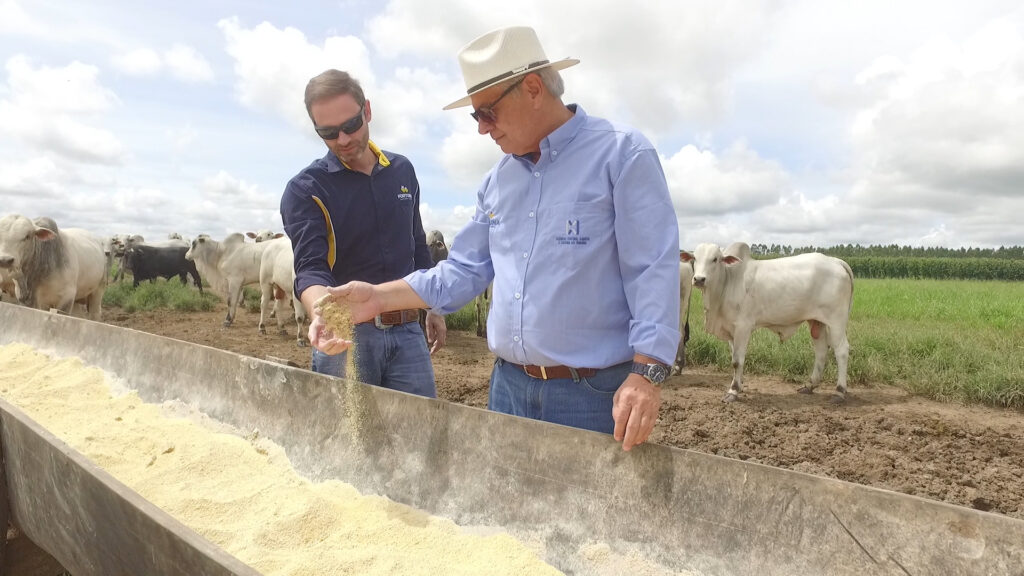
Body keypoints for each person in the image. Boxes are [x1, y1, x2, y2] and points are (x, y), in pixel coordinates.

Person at [315, 26, 680, 451]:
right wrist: (378, 298)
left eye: (486, 113)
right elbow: (465, 270)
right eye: (476, 117)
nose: (482, 130)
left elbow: (652, 267)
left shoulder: (622, 155)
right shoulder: (497, 181)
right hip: (507, 389)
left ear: (531, 88)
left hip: (593, 397)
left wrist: (648, 372)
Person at [280, 69, 446, 398]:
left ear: (367, 110)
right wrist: (323, 315)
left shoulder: (402, 171)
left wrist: (433, 307)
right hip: (346, 335)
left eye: (351, 125)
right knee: (347, 442)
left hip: (408, 332)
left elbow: (416, 245)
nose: (342, 139)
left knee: (417, 437)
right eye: (328, 132)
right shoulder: (306, 190)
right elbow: (310, 269)